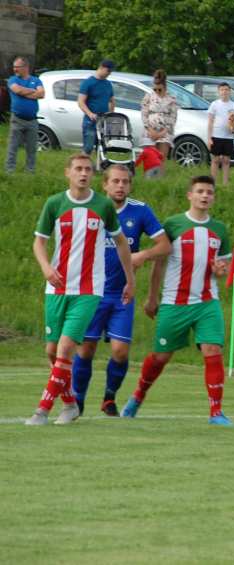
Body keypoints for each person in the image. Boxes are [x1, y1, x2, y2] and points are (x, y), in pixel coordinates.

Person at [25, 154, 135, 426]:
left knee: (65, 349)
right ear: (68, 173)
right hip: (57, 288)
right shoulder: (54, 204)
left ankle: (42, 410)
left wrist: (130, 280)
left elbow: (121, 243)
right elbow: (39, 243)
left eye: (87, 169)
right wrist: (46, 269)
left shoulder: (103, 206)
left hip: (89, 291)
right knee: (52, 351)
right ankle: (71, 403)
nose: (83, 173)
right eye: (78, 169)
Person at [121, 175, 234, 426]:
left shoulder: (220, 229)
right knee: (161, 357)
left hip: (207, 302)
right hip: (175, 302)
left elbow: (222, 267)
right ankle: (138, 396)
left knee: (212, 349)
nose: (205, 196)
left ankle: (216, 412)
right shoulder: (173, 225)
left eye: (209, 192)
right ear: (190, 195)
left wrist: (219, 270)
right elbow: (159, 263)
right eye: (200, 191)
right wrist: (152, 297)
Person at [70, 165, 170, 416]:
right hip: (91, 292)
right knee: (86, 349)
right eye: (115, 181)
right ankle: (78, 400)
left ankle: (109, 398)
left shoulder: (140, 211)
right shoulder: (91, 208)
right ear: (104, 184)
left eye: (125, 182)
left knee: (120, 351)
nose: (120, 186)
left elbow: (165, 246)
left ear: (130, 185)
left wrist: (143, 255)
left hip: (122, 293)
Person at [5, 56, 44, 174]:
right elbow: (17, 90)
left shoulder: (36, 80)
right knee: (13, 147)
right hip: (17, 119)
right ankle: (9, 171)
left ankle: (30, 172)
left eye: (17, 67)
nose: (14, 69)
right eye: (14, 67)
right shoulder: (12, 79)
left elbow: (42, 94)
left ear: (26, 67)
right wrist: (33, 91)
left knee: (32, 148)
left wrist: (25, 92)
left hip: (32, 121)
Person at [77, 60, 115, 155]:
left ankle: (101, 166)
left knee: (103, 147)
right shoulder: (88, 83)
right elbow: (81, 101)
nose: (109, 74)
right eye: (108, 71)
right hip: (91, 121)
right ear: (101, 67)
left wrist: (110, 114)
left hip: (103, 120)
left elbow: (111, 101)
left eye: (110, 72)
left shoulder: (108, 84)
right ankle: (83, 164)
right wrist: (90, 114)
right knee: (88, 147)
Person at [207, 82, 234, 186]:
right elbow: (210, 122)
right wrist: (209, 138)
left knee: (226, 160)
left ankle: (225, 183)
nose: (224, 92)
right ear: (218, 92)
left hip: (228, 136)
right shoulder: (214, 104)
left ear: (230, 91)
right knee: (215, 160)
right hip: (216, 136)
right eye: (222, 90)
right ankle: (213, 183)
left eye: (226, 89)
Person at [141, 69, 178, 161]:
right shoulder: (148, 97)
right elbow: (144, 114)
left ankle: (160, 175)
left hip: (164, 132)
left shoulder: (171, 99)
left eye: (159, 89)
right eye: (155, 89)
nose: (157, 91)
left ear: (164, 87)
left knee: (161, 157)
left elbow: (173, 118)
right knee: (150, 158)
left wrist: (162, 133)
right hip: (150, 131)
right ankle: (150, 175)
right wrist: (150, 130)